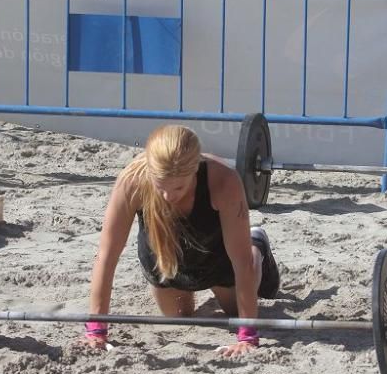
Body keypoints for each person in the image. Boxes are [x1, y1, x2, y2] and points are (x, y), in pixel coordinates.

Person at [85, 125, 280, 358]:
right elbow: (106, 256)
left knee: (236, 311)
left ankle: (256, 242)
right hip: (165, 263)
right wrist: (96, 330)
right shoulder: (132, 180)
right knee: (178, 318)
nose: (168, 196)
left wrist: (247, 336)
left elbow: (241, 262)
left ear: (195, 169)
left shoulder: (224, 181)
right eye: (161, 187)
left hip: (214, 255)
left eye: (178, 187)